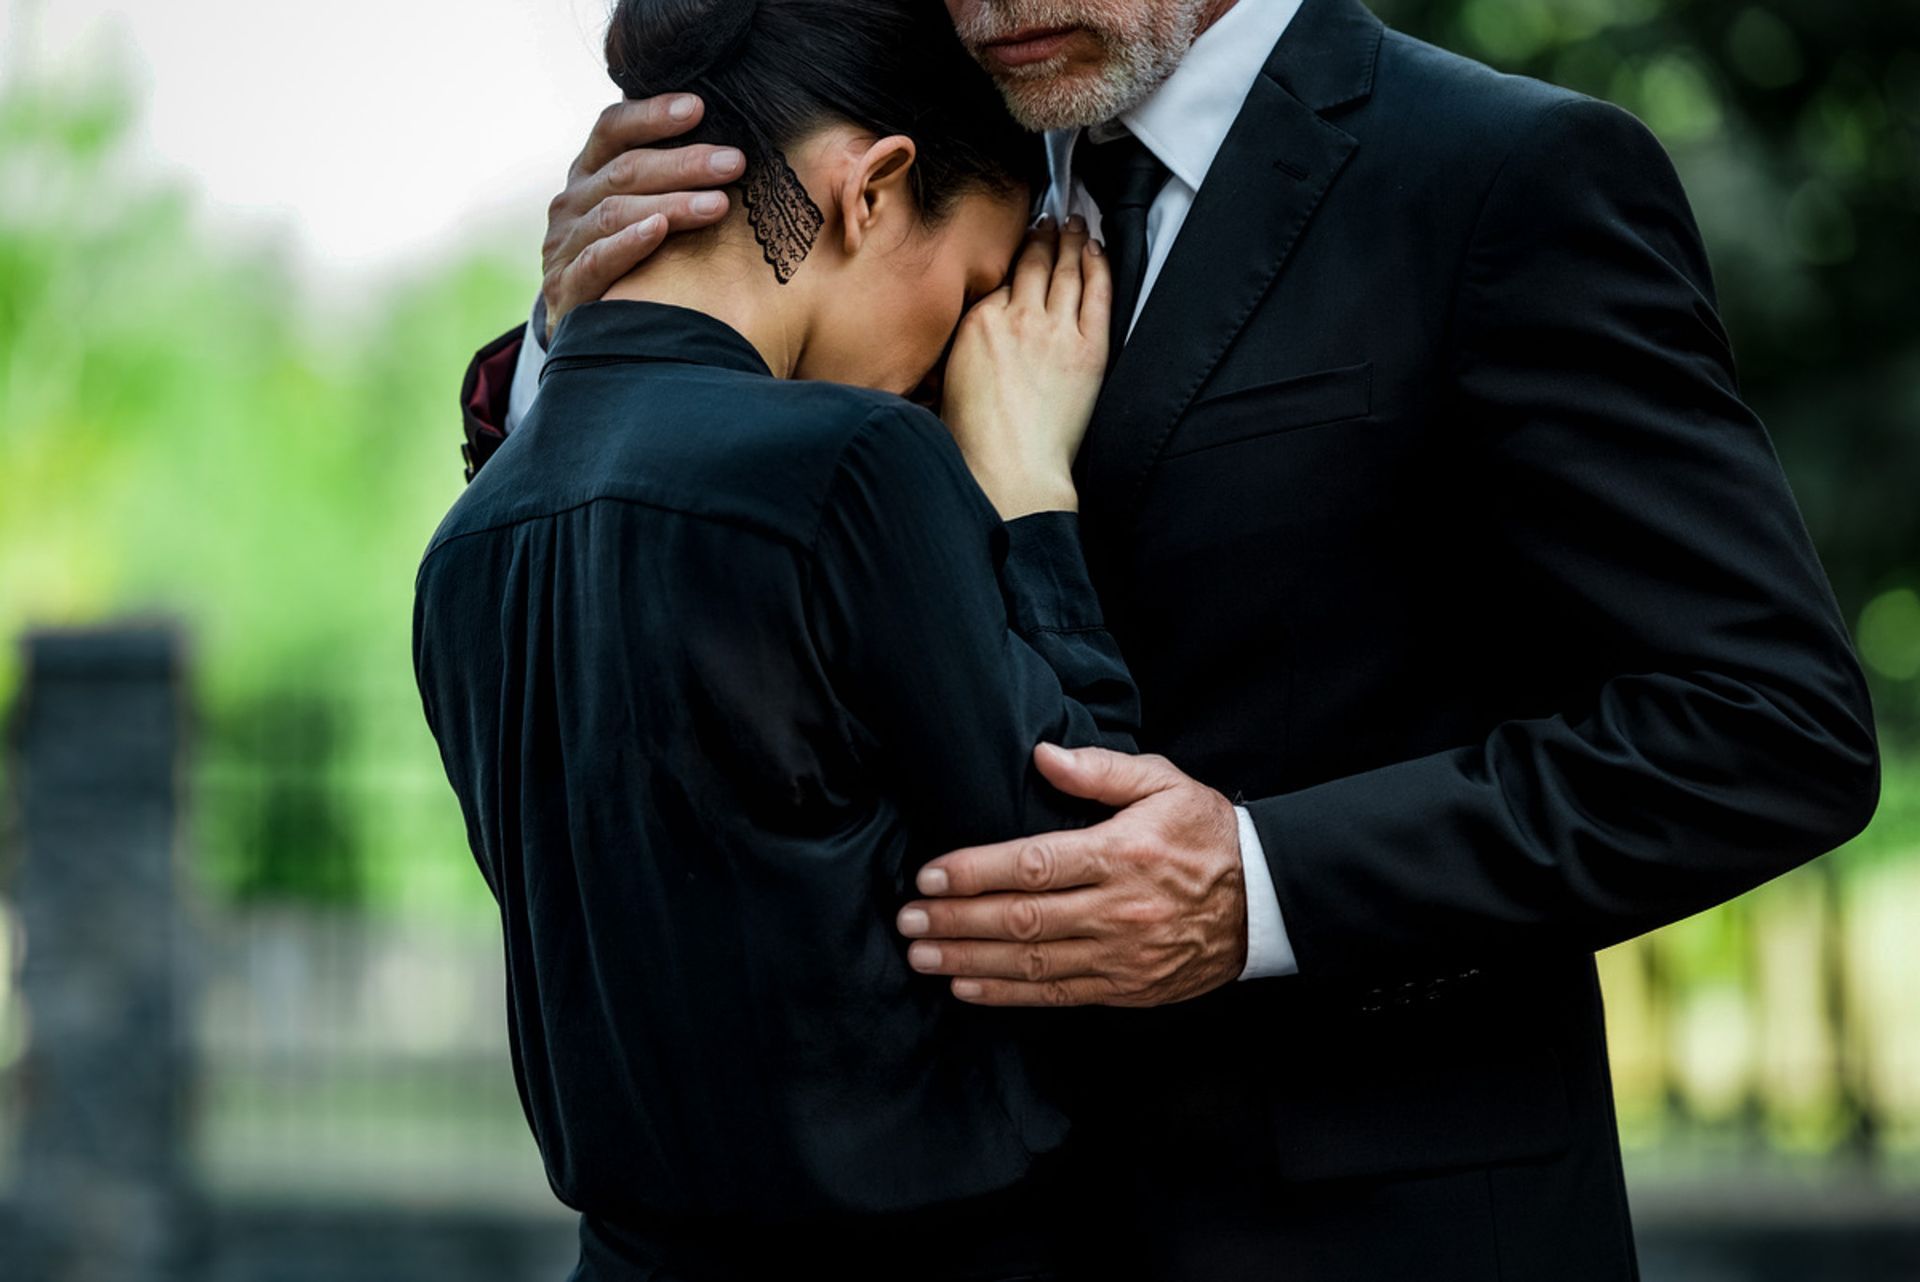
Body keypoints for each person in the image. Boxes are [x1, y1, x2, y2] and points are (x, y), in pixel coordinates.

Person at [460, 0, 1884, 1276]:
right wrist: (583, 341)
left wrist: (1261, 889)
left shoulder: (1500, 178)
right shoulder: (887, 151)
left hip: (1374, 1236)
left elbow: (1766, 724)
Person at [413, 1, 1138, 1278]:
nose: (963, 351)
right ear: (876, 188)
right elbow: (1085, 871)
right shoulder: (859, 463)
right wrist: (1026, 482)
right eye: (972, 285)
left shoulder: (473, 535)